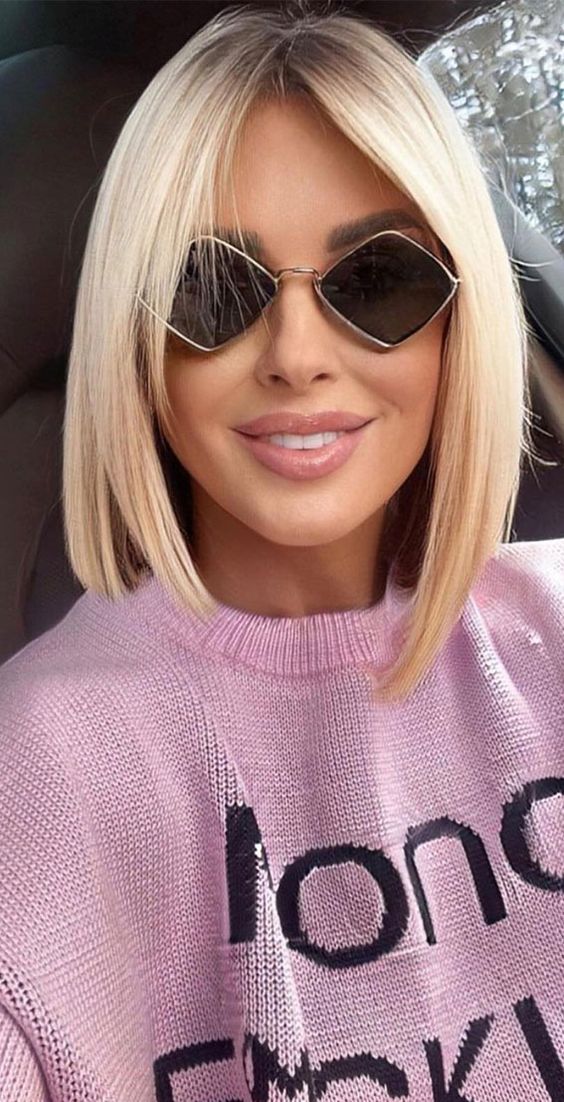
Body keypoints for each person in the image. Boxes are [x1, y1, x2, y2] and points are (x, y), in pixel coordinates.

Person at [0, 2, 563, 1099]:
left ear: (463, 321)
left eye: (379, 280)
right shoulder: (36, 771)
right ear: (135, 337)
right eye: (212, 288)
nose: (297, 355)